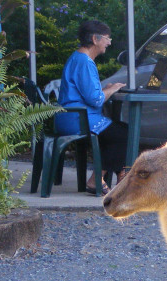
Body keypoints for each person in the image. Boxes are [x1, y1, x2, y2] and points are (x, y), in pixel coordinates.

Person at [55, 20, 128, 195]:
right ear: (95, 39)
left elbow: (86, 93)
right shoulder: (84, 62)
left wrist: (107, 89)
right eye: (107, 38)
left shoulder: (78, 58)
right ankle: (96, 180)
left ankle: (122, 175)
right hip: (77, 119)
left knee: (116, 132)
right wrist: (112, 89)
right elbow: (95, 100)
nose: (109, 42)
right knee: (122, 134)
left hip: (70, 117)